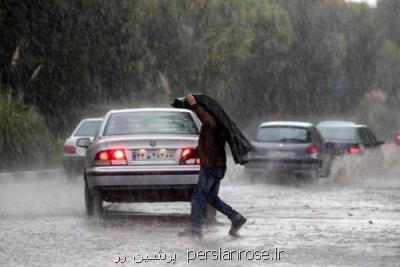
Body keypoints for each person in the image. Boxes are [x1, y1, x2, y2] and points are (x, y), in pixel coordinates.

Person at [179, 94, 247, 238]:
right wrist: (189, 156)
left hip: (211, 166)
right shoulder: (210, 127)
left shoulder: (213, 122)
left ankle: (195, 229)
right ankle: (235, 217)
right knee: (210, 197)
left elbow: (205, 118)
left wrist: (195, 105)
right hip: (216, 166)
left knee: (198, 197)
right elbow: (206, 147)